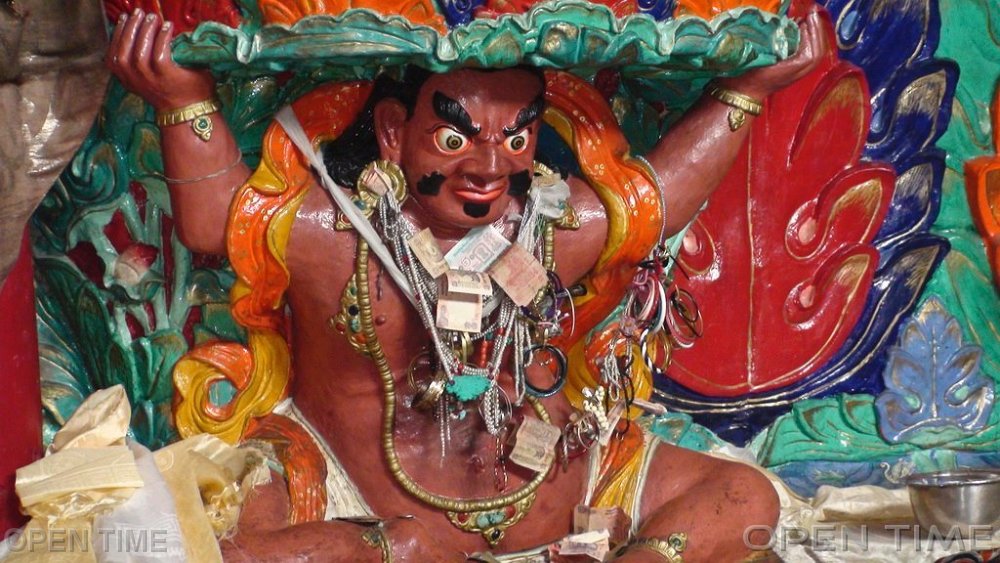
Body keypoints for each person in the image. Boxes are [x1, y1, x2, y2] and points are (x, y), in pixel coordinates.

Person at [107, 5, 825, 561]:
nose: (488, 166)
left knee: (743, 496)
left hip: (561, 491)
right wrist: (183, 99)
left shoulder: (548, 225)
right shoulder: (333, 235)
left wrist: (747, 88)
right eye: (454, 139)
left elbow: (656, 201)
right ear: (393, 131)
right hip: (356, 498)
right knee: (241, 546)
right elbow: (219, 222)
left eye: (516, 138)